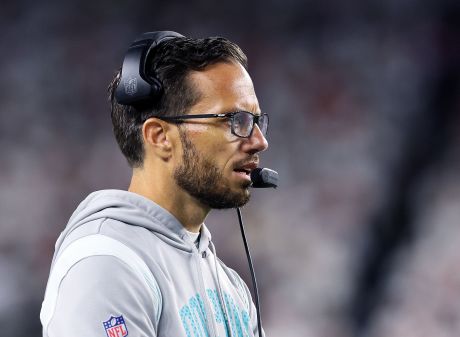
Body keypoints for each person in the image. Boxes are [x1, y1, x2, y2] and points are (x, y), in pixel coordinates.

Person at [40, 31, 269, 337]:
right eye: (236, 121)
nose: (259, 141)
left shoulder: (230, 288)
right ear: (160, 137)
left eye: (256, 121)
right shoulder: (107, 265)